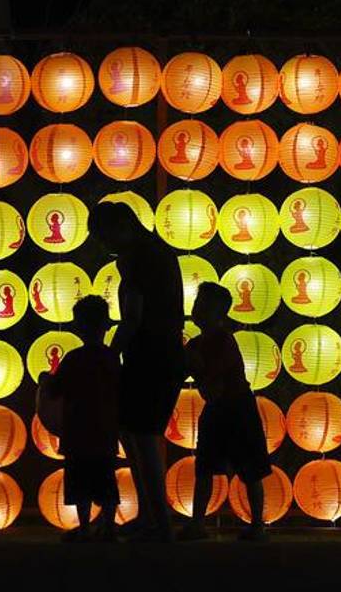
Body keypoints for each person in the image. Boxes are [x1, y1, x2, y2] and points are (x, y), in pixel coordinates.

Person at [88, 202, 182, 542]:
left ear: (124, 226)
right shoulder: (159, 253)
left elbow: (133, 316)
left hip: (150, 354)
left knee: (141, 437)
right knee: (135, 434)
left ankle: (159, 522)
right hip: (161, 352)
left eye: (106, 238)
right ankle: (151, 517)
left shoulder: (139, 258)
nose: (106, 247)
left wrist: (109, 353)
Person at [180, 282, 271, 541]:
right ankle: (198, 522)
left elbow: (213, 384)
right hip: (217, 409)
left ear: (219, 313)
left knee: (250, 467)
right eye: (198, 305)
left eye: (205, 306)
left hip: (237, 407)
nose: (198, 310)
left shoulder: (223, 341)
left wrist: (196, 366)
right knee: (204, 466)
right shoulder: (195, 344)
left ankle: (257, 524)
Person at [38, 295, 121, 542]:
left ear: (77, 326)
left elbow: (55, 390)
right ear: (106, 325)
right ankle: (108, 527)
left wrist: (45, 380)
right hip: (105, 433)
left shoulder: (74, 359)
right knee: (106, 482)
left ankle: (84, 528)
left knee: (80, 484)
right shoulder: (111, 359)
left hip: (77, 433)